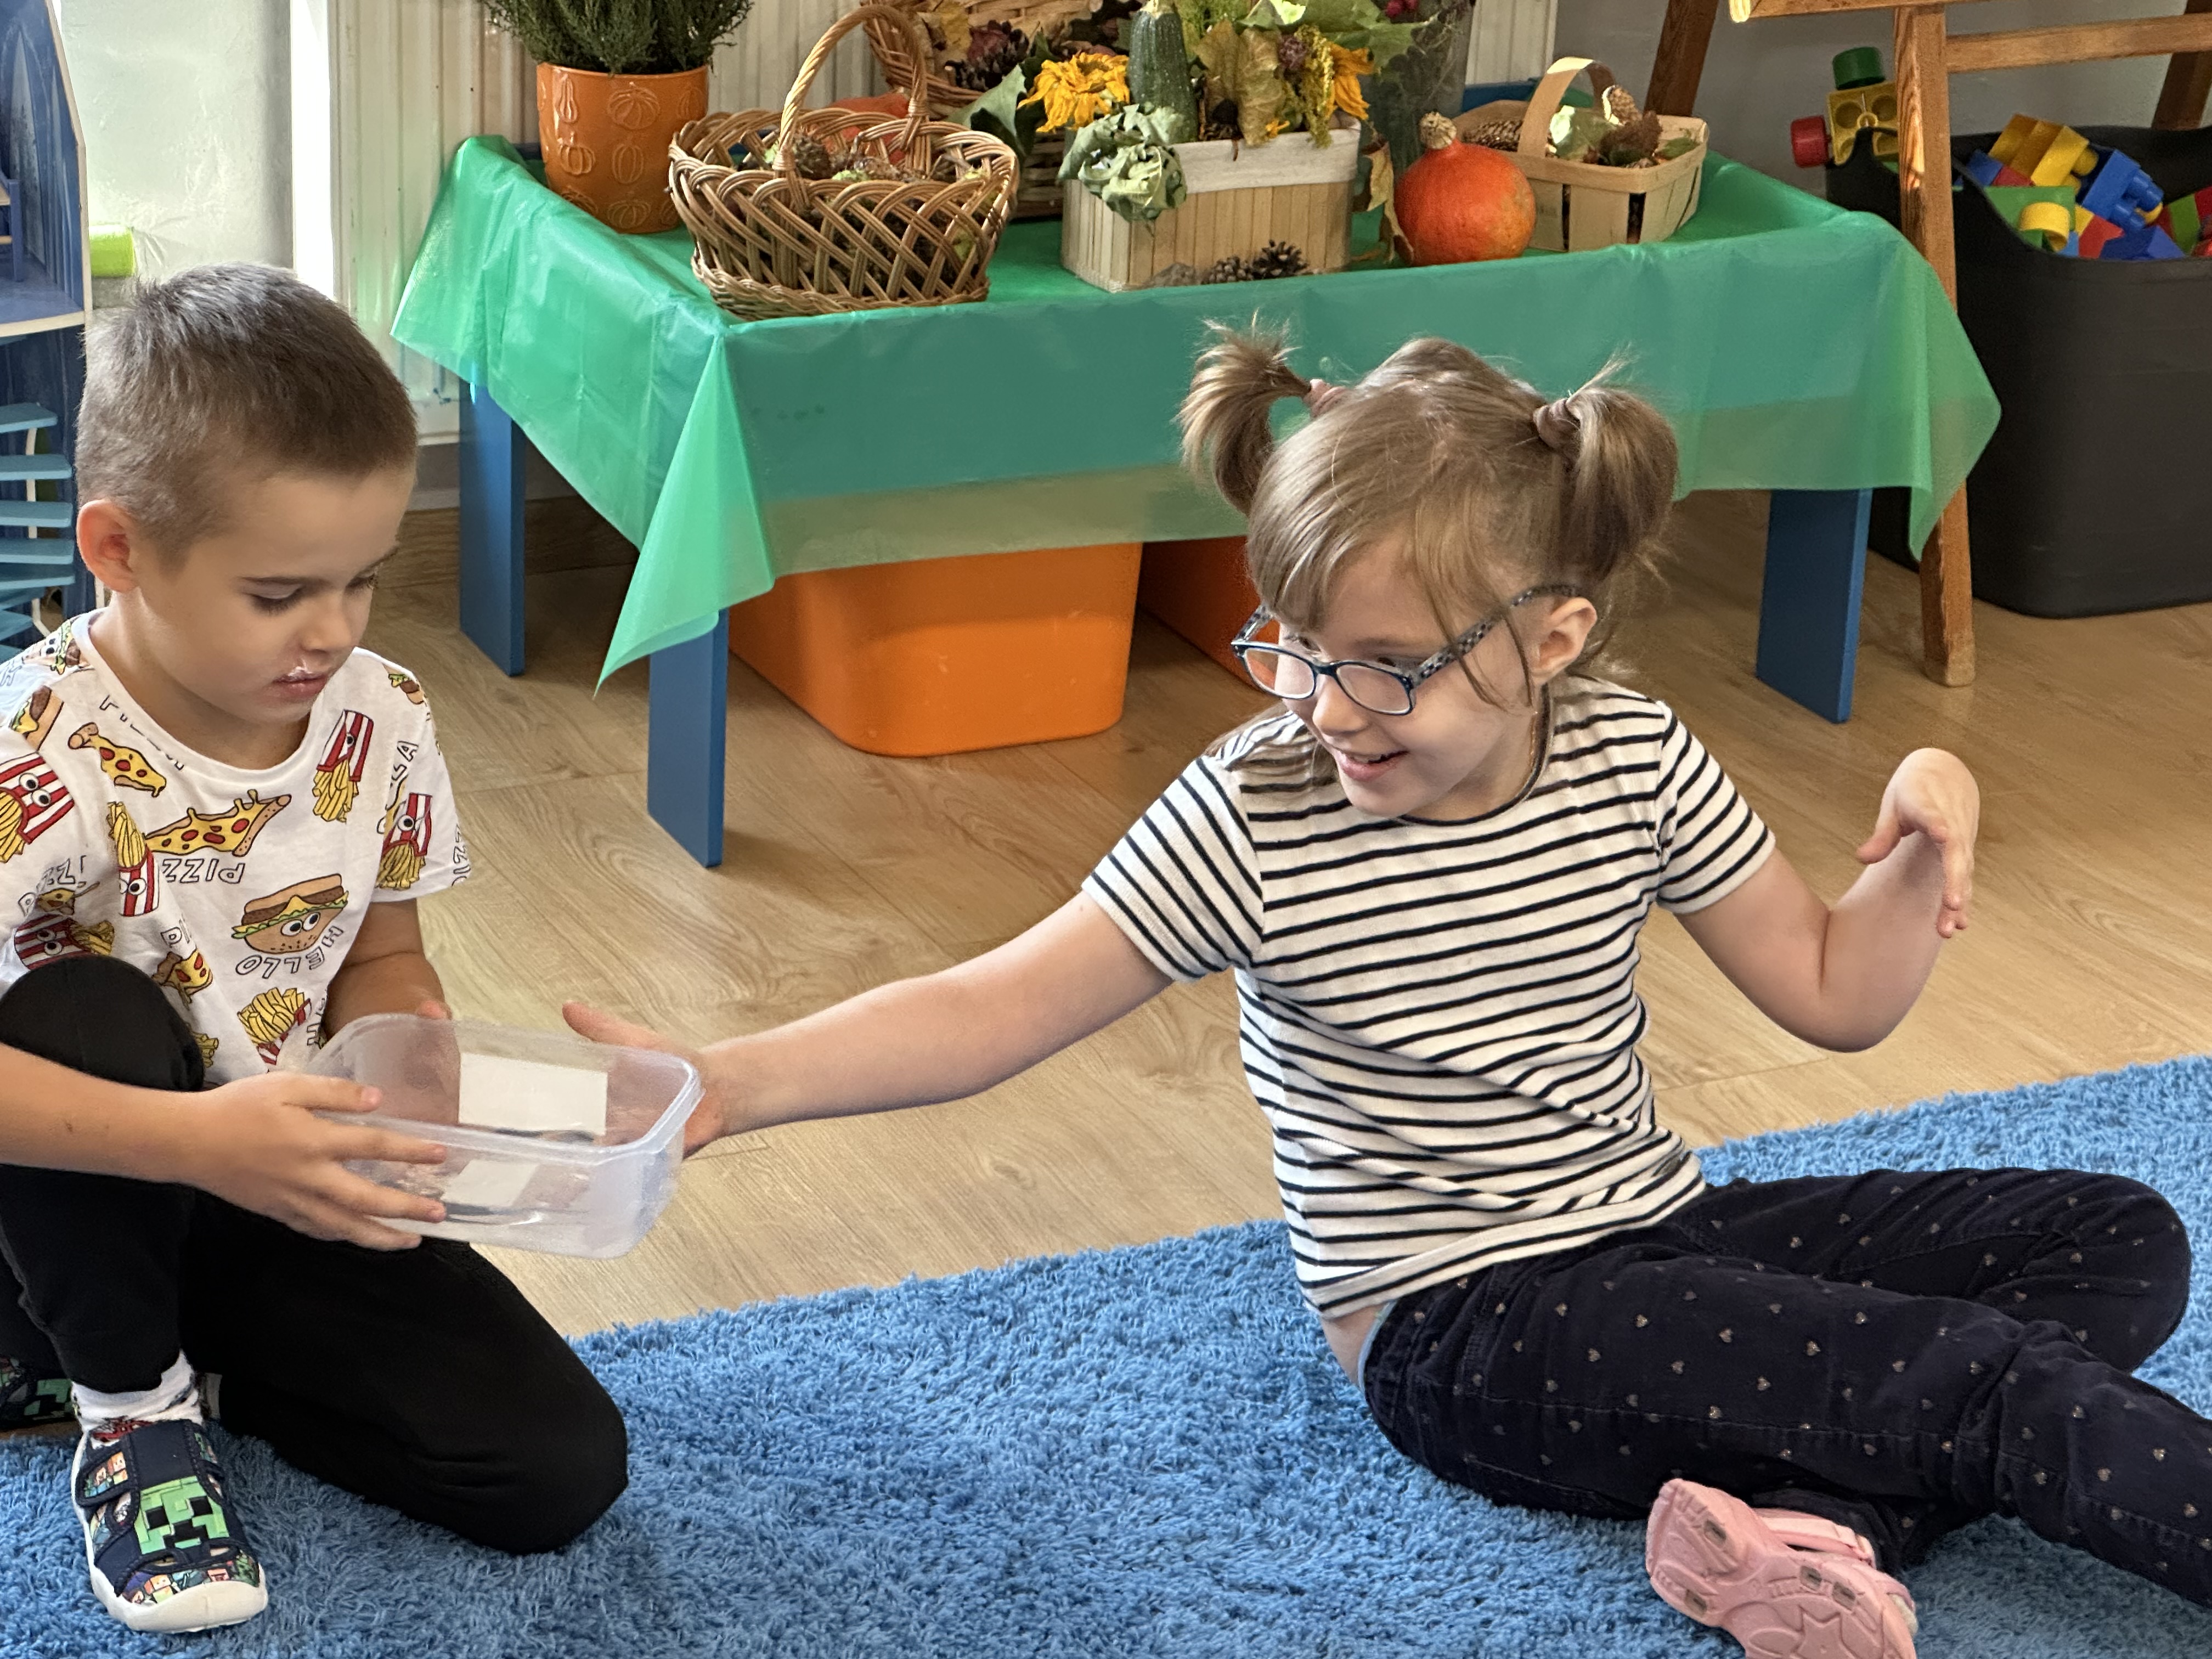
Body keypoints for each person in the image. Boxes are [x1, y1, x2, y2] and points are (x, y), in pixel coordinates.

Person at [572, 328, 2208, 1659]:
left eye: (1385, 667)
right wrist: (733, 1077)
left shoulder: (1632, 755)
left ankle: (1818, 1536)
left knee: (2118, 1235)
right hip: (1460, 1325)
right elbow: (994, 1005)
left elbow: (1838, 990)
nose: (1325, 706)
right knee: (1978, 1385)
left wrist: (1925, 822)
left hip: (1657, 1231)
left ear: (1552, 640)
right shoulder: (1256, 810)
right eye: (1290, 643)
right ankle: (1861, 1496)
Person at [0, 266, 625, 1634]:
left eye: (363, 581)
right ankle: (129, 1408)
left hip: (273, 1174)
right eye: (281, 592)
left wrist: (413, 1064)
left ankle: (161, 1366)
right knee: (83, 1010)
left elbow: (384, 956)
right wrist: (194, 1142)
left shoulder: (381, 716)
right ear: (118, 549)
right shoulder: (29, 745)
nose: (333, 631)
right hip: (68, 1178)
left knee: (556, 1469)